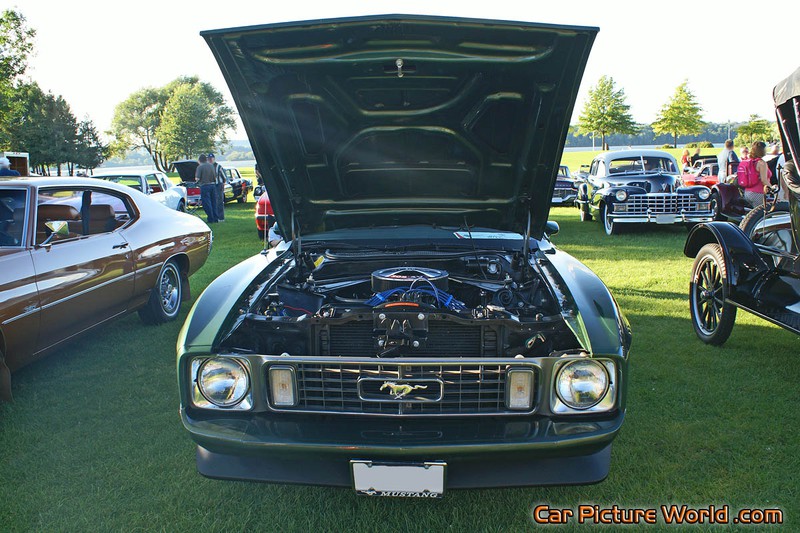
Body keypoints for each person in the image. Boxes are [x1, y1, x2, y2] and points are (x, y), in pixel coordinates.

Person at [741, 141, 773, 208]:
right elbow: (764, 180)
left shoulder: (750, 161)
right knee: (761, 215)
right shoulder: (761, 163)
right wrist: (772, 188)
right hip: (758, 193)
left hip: (747, 192)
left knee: (753, 214)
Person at [195, 154, 218, 223]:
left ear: (199, 160)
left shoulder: (200, 167)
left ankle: (210, 219)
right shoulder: (211, 166)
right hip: (213, 185)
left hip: (205, 186)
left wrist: (196, 181)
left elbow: (197, 178)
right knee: (214, 202)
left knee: (207, 203)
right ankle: (215, 218)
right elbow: (215, 176)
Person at [208, 153, 225, 222]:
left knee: (219, 201)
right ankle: (214, 217)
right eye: (209, 159)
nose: (210, 160)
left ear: (214, 159)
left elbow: (224, 176)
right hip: (211, 185)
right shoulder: (208, 166)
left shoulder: (218, 166)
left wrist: (223, 184)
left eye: (211, 159)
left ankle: (221, 218)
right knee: (212, 201)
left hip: (218, 185)